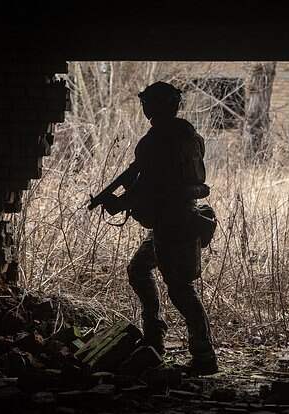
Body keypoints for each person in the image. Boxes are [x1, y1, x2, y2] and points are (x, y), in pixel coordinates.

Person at [101, 81, 218, 375]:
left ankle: (203, 356)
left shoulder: (157, 140)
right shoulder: (189, 136)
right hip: (180, 218)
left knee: (180, 289)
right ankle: (154, 339)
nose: (144, 108)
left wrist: (119, 202)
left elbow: (151, 186)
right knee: (139, 269)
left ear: (158, 106)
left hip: (172, 222)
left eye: (148, 103)